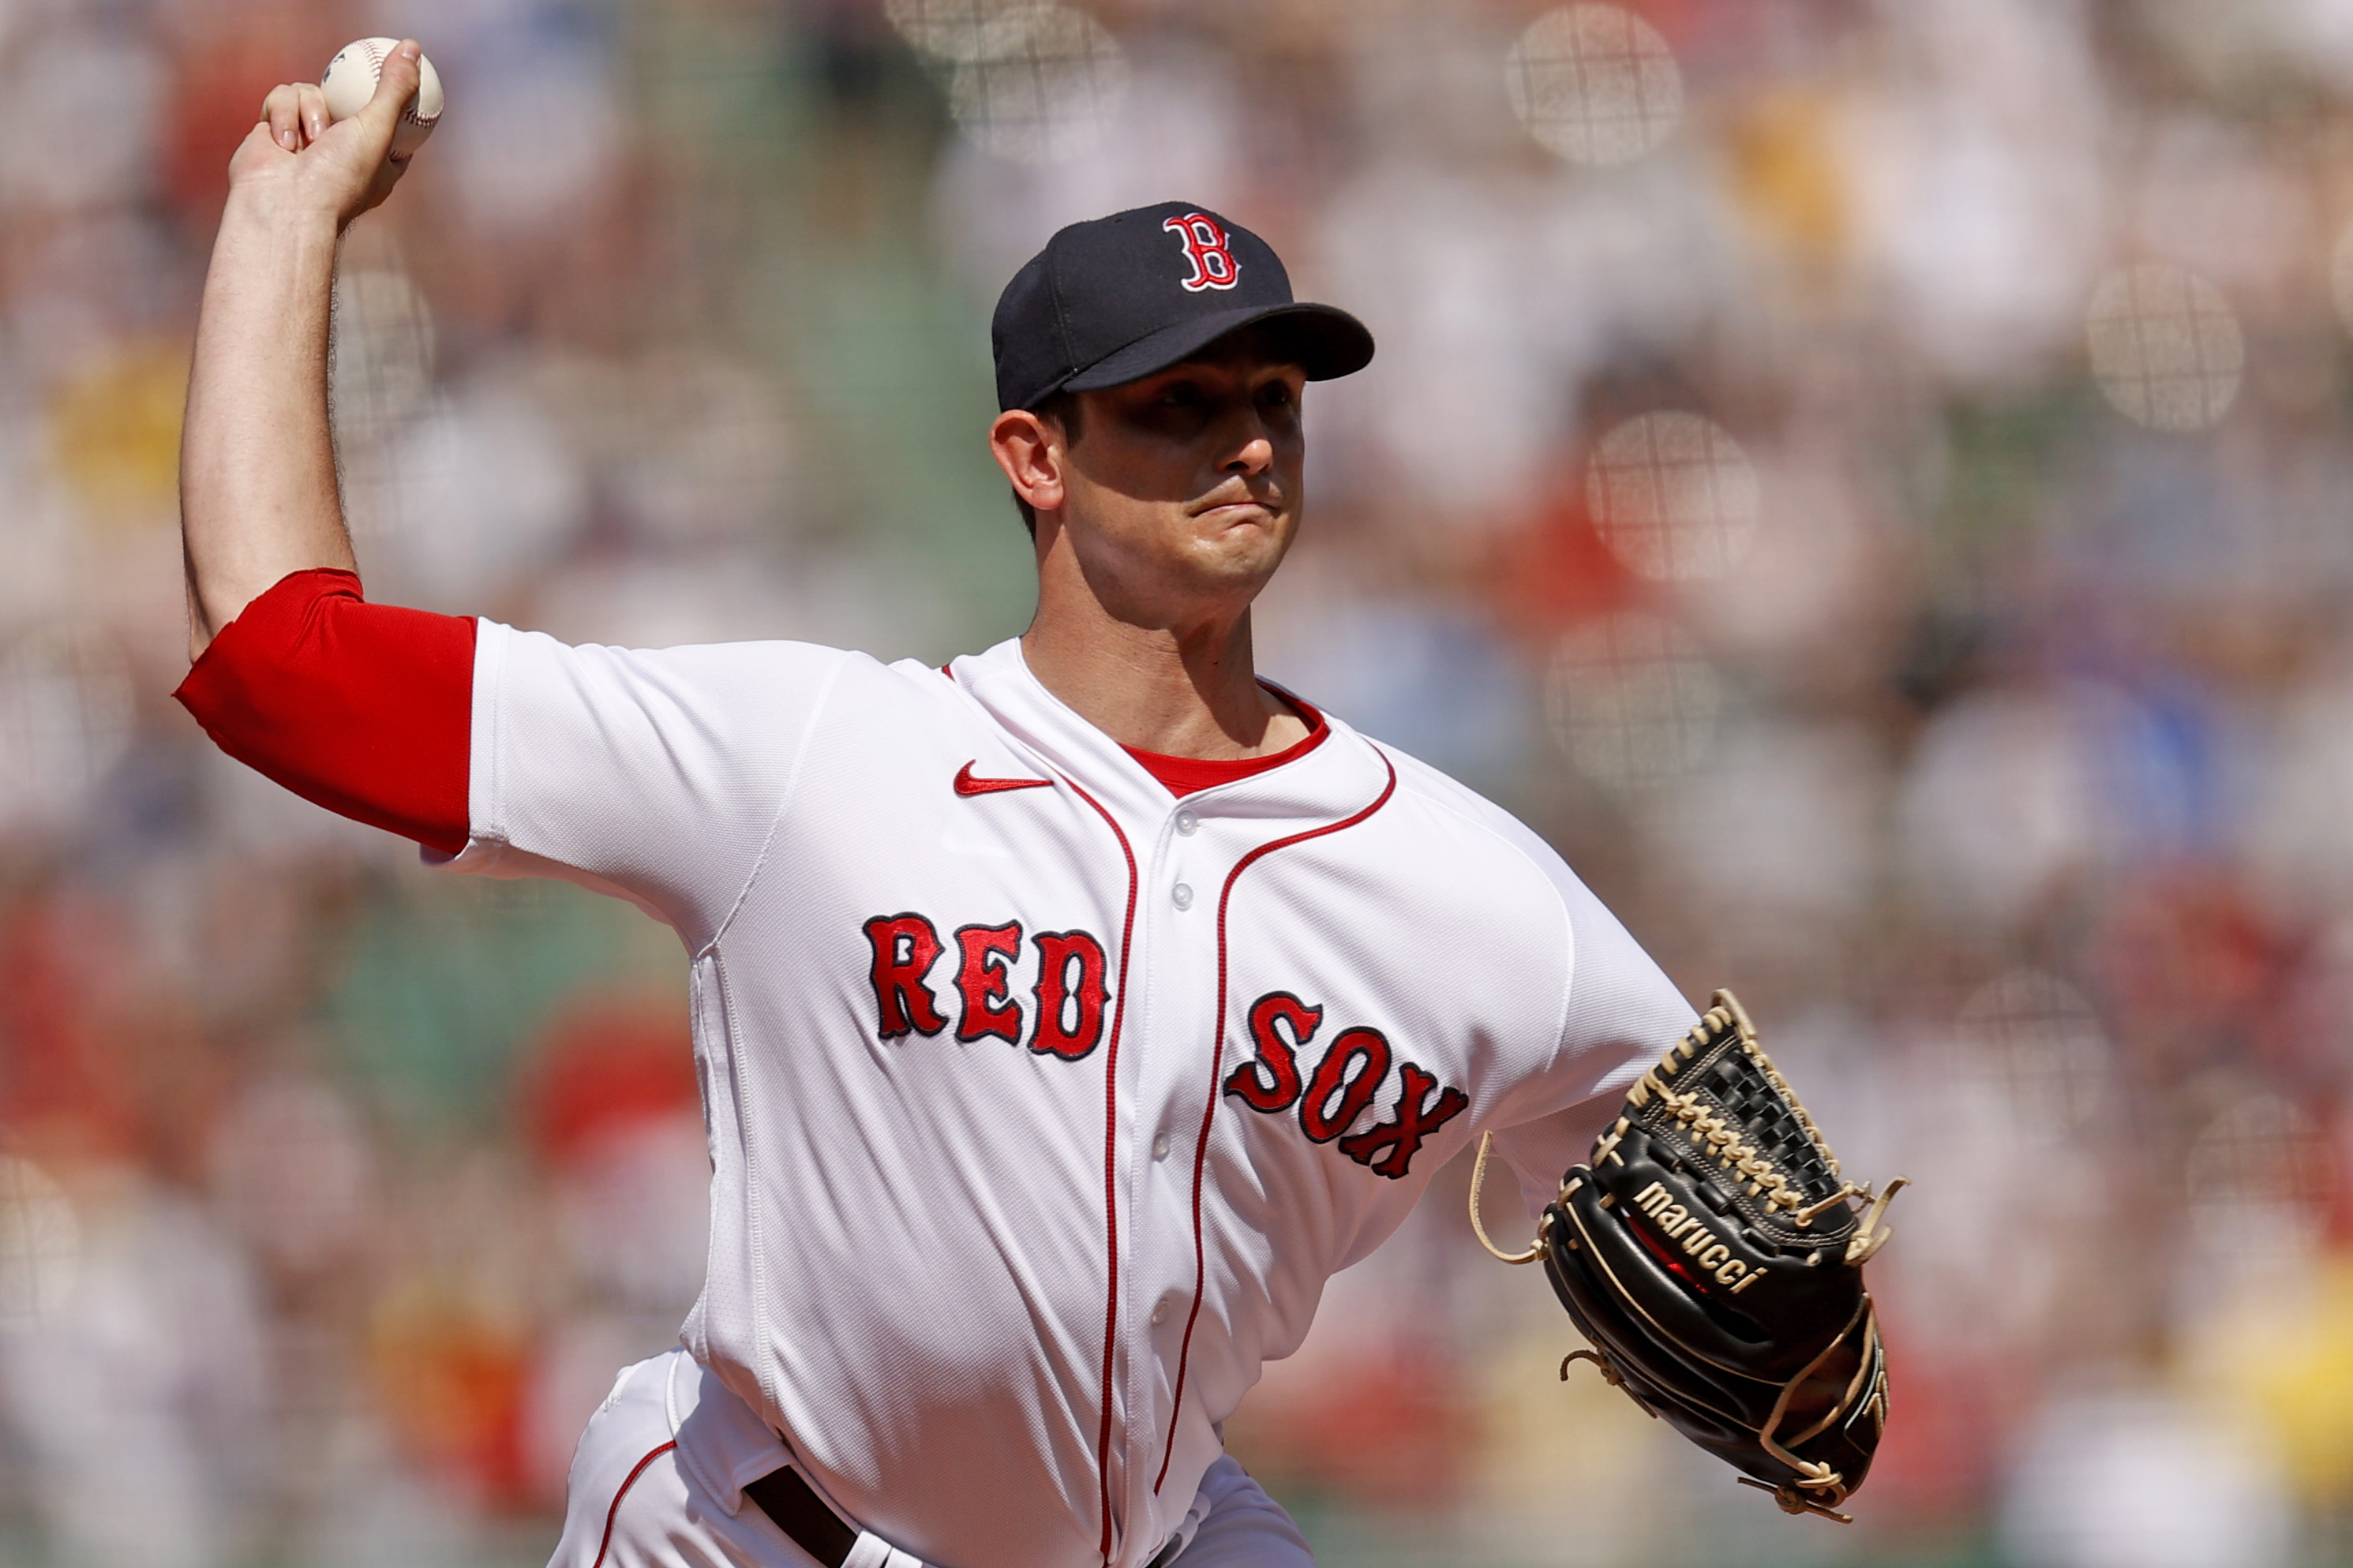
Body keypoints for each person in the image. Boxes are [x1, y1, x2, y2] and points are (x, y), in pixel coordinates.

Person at [177, 46, 1696, 1568]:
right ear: (1035, 456)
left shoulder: (1465, 890)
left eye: (1273, 399)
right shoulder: (817, 756)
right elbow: (282, 671)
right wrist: (281, 222)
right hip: (750, 1536)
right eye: (1177, 402)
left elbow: (1739, 1219)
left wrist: (1811, 1343)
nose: (1246, 440)